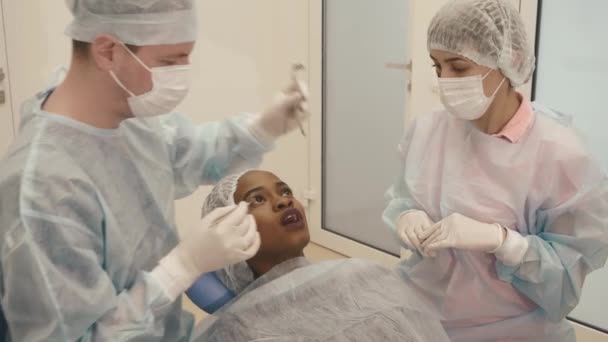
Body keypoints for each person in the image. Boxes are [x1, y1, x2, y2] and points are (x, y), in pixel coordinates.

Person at [0, 1, 308, 340]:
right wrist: (180, 269)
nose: (182, 73)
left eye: (186, 56)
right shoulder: (41, 190)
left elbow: (189, 152)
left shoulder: (129, 117)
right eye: (169, 61)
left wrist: (263, 127)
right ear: (108, 51)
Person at [383, 0, 608, 341]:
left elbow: (563, 279)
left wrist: (503, 243)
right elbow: (400, 199)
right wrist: (407, 216)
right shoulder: (428, 131)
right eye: (437, 66)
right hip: (422, 312)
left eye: (458, 67)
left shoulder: (560, 155)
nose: (444, 80)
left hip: (513, 326)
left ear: (510, 62)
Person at [191, 170, 450, 342]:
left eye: (285, 191)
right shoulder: (238, 328)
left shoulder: (362, 273)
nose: (284, 202)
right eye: (257, 199)